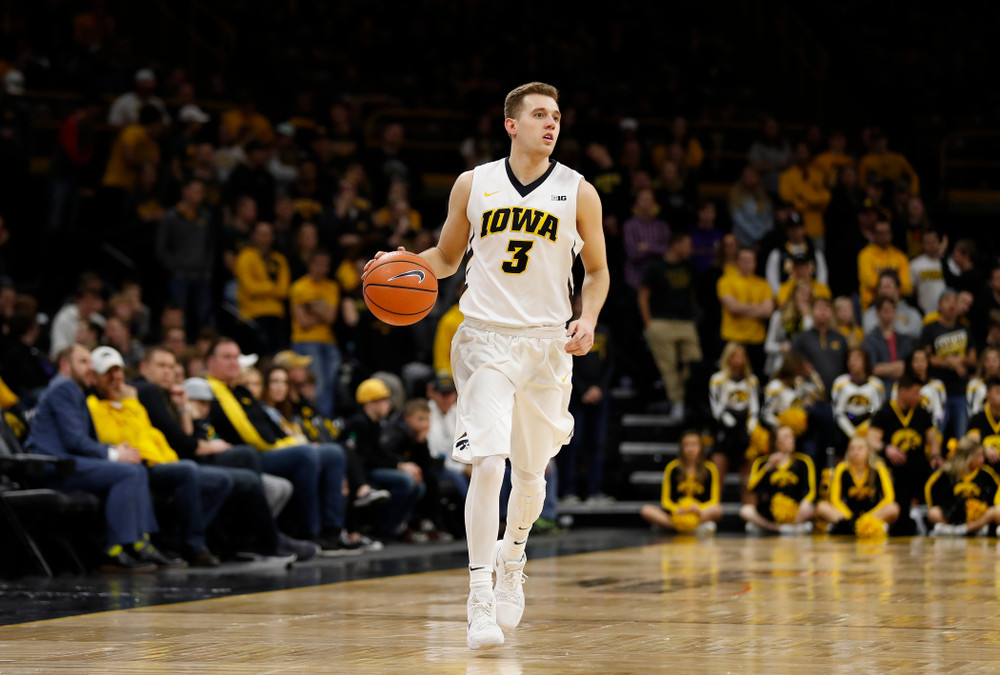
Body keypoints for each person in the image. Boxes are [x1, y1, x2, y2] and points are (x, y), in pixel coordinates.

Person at [364, 82, 608, 649]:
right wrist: (398, 264)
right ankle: (477, 597)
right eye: (540, 115)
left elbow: (596, 271)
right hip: (484, 340)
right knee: (488, 464)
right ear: (511, 123)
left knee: (530, 476)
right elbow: (446, 258)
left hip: (547, 345)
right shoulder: (474, 184)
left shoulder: (579, 191)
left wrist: (588, 317)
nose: (551, 124)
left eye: (557, 116)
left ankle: (513, 557)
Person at [134, 346, 317, 561]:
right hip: (165, 461)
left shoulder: (170, 394)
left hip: (179, 458)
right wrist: (206, 445)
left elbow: (185, 437)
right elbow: (183, 442)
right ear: (144, 367)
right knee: (244, 461)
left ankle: (252, 539)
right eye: (161, 366)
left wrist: (183, 408)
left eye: (171, 366)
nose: (167, 371)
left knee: (247, 476)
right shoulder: (146, 390)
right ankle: (265, 540)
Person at [24, 345, 174, 572]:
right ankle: (114, 549)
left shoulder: (73, 390)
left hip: (68, 462)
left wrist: (113, 449)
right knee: (128, 472)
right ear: (65, 365)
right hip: (55, 465)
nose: (89, 368)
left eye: (90, 362)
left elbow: (81, 440)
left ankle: (140, 541)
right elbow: (74, 440)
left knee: (136, 467)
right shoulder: (63, 388)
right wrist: (113, 454)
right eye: (83, 362)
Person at [204, 337, 353, 554]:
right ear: (211, 361)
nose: (233, 363)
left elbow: (270, 426)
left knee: (333, 453)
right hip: (253, 455)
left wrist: (292, 440)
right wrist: (293, 443)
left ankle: (332, 531)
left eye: (236, 357)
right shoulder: (214, 390)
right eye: (226, 357)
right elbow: (252, 434)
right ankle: (307, 532)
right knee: (305, 455)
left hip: (268, 450)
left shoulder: (240, 391)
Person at [86, 346, 232, 567]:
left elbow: (150, 434)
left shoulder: (132, 402)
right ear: (95, 378)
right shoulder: (96, 405)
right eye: (109, 374)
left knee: (221, 480)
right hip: (142, 464)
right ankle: (195, 545)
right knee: (188, 470)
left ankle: (175, 540)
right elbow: (116, 437)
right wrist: (128, 403)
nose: (116, 379)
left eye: (118, 373)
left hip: (163, 460)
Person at [867, 373, 943, 534]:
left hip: (918, 467)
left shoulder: (922, 413)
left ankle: (933, 522)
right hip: (893, 470)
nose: (919, 397)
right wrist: (886, 448)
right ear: (902, 391)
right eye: (916, 393)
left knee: (938, 477)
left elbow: (933, 440)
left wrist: (936, 456)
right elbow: (871, 440)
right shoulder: (884, 412)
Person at [638, 230, 700, 422]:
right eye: (687, 244)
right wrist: (649, 325)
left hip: (685, 323)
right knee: (669, 367)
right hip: (661, 322)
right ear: (676, 243)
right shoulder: (655, 268)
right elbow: (643, 296)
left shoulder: (689, 266)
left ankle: (692, 401)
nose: (690, 249)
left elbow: (693, 294)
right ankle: (677, 403)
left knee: (695, 362)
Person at [288, 248, 341, 416]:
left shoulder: (332, 286)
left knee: (333, 383)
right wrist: (322, 309)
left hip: (329, 341)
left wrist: (311, 306)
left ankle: (328, 420)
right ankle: (317, 420)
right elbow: (303, 322)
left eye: (326, 265)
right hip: (305, 341)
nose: (323, 269)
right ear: (310, 264)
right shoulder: (298, 287)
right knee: (317, 384)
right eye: (319, 264)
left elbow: (331, 317)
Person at [640, 430, 722, 535]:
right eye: (686, 445)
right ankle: (690, 527)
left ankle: (676, 527)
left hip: (698, 512)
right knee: (646, 510)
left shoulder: (710, 469)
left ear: (701, 447)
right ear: (681, 448)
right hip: (678, 513)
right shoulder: (672, 468)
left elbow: (714, 500)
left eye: (694, 445)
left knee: (717, 510)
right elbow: (665, 500)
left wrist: (698, 509)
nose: (690, 449)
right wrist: (677, 509)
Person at [921, 290, 977, 442]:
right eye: (947, 300)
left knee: (961, 436)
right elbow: (927, 358)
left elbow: (973, 359)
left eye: (954, 301)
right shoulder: (930, 328)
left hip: (960, 391)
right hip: (938, 391)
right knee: (937, 434)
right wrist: (951, 363)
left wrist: (960, 360)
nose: (951, 304)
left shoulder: (964, 329)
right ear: (939, 305)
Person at [740, 425, 816, 535]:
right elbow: (751, 487)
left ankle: (790, 526)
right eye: (786, 437)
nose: (792, 440)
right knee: (745, 511)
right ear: (776, 442)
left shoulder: (804, 461)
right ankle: (775, 528)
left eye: (792, 436)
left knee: (811, 509)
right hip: (769, 512)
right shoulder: (762, 462)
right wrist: (768, 468)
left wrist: (806, 502)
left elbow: (811, 490)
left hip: (795, 510)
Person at [816, 436, 898, 536]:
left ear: (868, 450)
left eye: (860, 448)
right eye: (852, 448)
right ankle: (849, 526)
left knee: (894, 508)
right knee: (822, 507)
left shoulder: (879, 467)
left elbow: (889, 498)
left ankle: (858, 526)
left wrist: (867, 517)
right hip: (847, 514)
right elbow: (835, 499)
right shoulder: (842, 468)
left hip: (873, 514)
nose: (855, 452)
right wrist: (850, 518)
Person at [708, 342, 760, 490]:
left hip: (745, 428)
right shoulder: (717, 379)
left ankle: (748, 509)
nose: (738, 359)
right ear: (727, 358)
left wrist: (750, 427)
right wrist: (729, 422)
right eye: (734, 356)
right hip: (725, 428)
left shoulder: (752, 380)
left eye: (741, 356)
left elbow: (755, 407)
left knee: (749, 481)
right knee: (717, 479)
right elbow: (715, 408)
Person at [717, 247, 774, 379]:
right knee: (731, 377)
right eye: (744, 260)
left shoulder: (763, 284)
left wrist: (742, 309)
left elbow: (768, 311)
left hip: (757, 339)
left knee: (755, 378)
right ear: (736, 262)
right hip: (733, 338)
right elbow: (732, 307)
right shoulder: (726, 281)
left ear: (755, 263)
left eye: (750, 260)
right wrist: (757, 308)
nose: (747, 263)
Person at [925, 437, 1000, 537]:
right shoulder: (949, 473)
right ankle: (957, 529)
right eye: (978, 456)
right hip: (954, 517)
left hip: (980, 518)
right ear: (966, 456)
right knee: (933, 513)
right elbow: (931, 489)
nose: (982, 459)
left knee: (995, 512)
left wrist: (980, 508)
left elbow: (994, 498)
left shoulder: (986, 474)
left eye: (983, 455)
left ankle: (962, 530)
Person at [831, 348, 885, 453]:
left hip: (868, 423)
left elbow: (876, 410)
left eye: (857, 359)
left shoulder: (876, 384)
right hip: (846, 423)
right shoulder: (840, 383)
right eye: (850, 359)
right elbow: (838, 411)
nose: (852, 362)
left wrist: (864, 427)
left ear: (866, 361)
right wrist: (852, 433)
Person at [857, 218, 912, 312]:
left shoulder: (900, 256)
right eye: (880, 233)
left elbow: (907, 287)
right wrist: (893, 286)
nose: (884, 236)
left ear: (891, 233)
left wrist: (884, 286)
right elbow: (869, 281)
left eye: (886, 232)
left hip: (896, 306)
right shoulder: (865, 255)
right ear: (874, 234)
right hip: (871, 306)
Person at [862, 295, 914, 390]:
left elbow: (909, 367)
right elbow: (873, 368)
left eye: (892, 310)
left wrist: (885, 368)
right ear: (878, 312)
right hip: (880, 388)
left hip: (902, 388)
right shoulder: (870, 340)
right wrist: (898, 366)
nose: (889, 314)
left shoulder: (904, 339)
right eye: (885, 311)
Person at [909, 229, 947, 317]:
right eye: (927, 242)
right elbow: (911, 291)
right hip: (924, 313)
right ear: (922, 244)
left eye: (934, 241)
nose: (931, 245)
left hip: (946, 314)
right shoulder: (915, 264)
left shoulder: (948, 263)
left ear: (939, 242)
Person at [966, 375, 1000, 468]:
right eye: (998, 392)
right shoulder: (977, 418)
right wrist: (984, 449)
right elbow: (972, 443)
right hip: (983, 470)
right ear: (987, 394)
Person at [967, 348, 1000, 418]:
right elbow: (972, 411)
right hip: (981, 423)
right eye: (988, 361)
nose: (991, 364)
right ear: (983, 363)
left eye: (994, 361)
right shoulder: (974, 385)